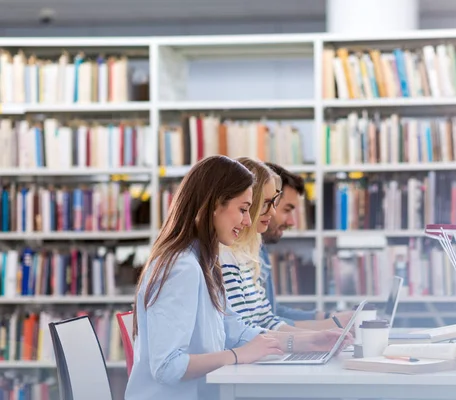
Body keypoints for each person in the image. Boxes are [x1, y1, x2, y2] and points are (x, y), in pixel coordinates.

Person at [125, 155, 351, 400]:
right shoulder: (182, 268)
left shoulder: (204, 262)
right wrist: (237, 356)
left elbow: (235, 330)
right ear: (214, 205)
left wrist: (308, 342)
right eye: (243, 209)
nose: (247, 220)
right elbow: (167, 367)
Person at [261, 162, 355, 330]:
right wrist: (328, 324)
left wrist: (326, 317)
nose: (292, 222)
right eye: (287, 210)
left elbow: (272, 312)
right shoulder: (235, 256)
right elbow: (260, 323)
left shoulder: (260, 250)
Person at [219, 157, 303, 332]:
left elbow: (266, 318)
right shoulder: (223, 256)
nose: (272, 211)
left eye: (274, 203)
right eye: (266, 203)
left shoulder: (248, 253)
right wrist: (300, 341)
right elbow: (240, 332)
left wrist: (314, 338)